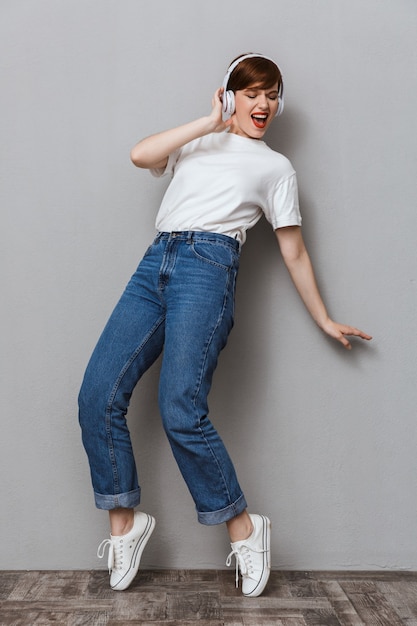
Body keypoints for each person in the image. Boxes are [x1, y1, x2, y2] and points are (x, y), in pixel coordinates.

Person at [78, 53, 372, 597]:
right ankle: (125, 522)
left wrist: (325, 318)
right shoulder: (197, 140)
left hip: (209, 269)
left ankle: (244, 528)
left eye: (272, 94)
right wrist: (208, 123)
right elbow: (141, 154)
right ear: (228, 93)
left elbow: (295, 253)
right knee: (97, 393)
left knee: (179, 408)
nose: (263, 104)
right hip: (156, 263)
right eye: (252, 92)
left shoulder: (275, 167)